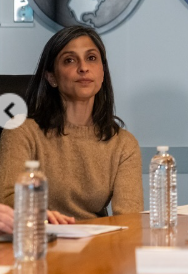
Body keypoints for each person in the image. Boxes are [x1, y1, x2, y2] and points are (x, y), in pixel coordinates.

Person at [0, 26, 143, 219]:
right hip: (40, 238)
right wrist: (40, 215)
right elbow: (7, 199)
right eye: (69, 60)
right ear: (51, 77)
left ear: (102, 71)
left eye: (91, 58)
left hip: (98, 244)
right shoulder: (22, 132)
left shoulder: (123, 144)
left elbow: (129, 219)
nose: (83, 68)